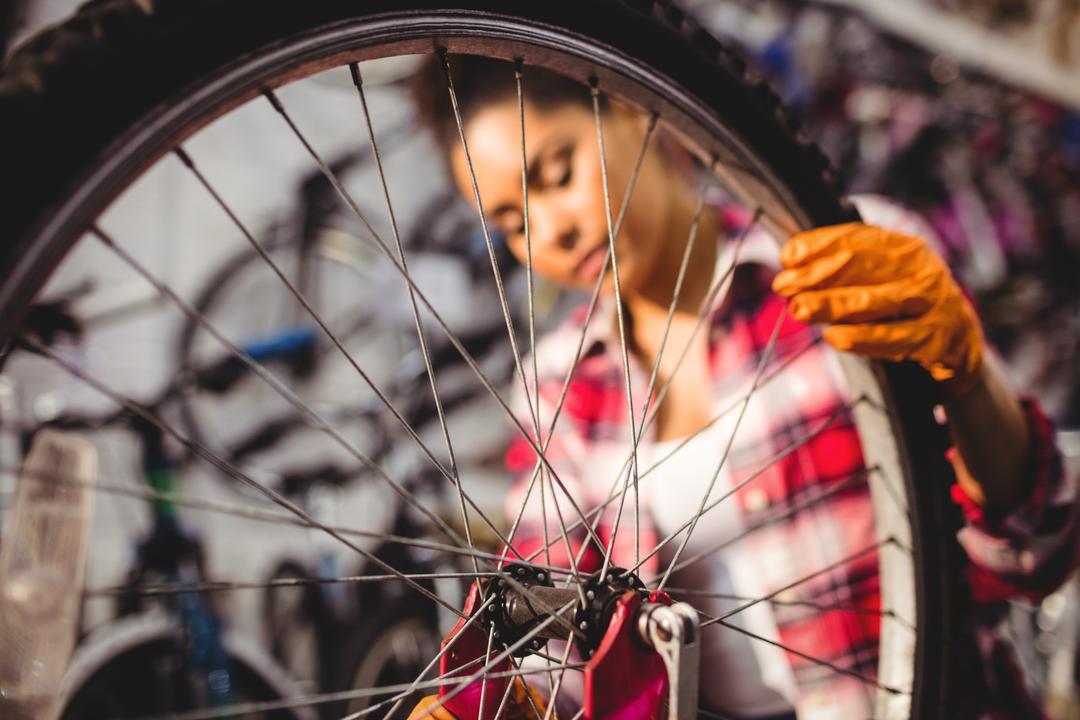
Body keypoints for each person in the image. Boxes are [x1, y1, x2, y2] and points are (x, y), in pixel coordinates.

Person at [406, 55, 1077, 719]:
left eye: (557, 173)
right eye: (514, 223)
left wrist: (964, 377)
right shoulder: (556, 391)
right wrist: (494, 706)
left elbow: (1038, 548)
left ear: (635, 106)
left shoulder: (842, 266)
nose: (552, 230)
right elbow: (560, 656)